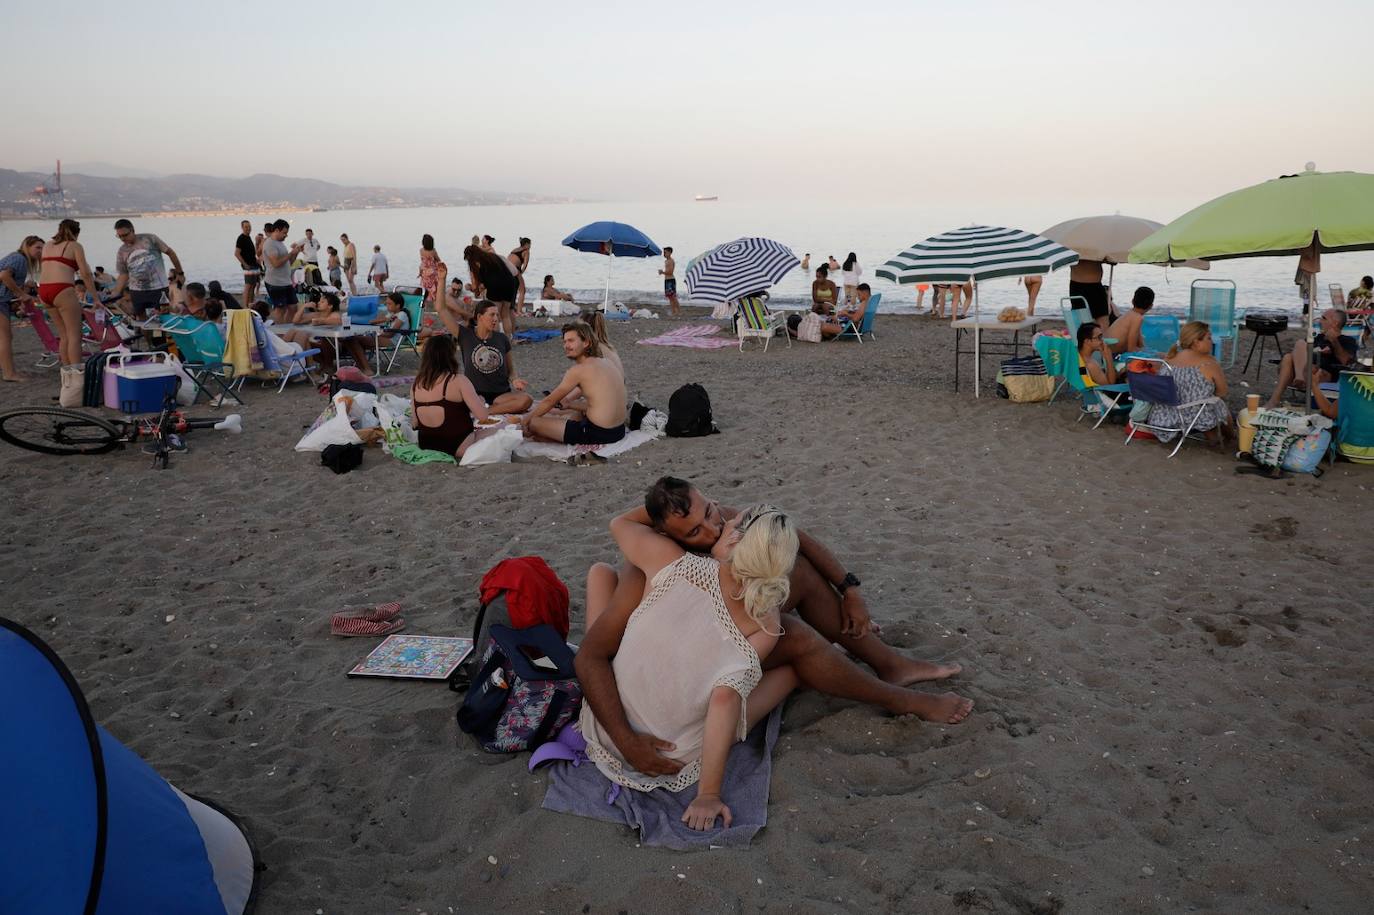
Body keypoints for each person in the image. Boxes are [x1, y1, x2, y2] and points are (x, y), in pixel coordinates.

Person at [576, 478, 973, 786]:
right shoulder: (655, 565)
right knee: (795, 638)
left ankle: (888, 663)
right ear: (665, 535)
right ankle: (896, 693)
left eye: (711, 512)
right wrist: (628, 742)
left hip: (707, 644)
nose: (713, 530)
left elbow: (793, 536)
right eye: (693, 531)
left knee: (791, 568)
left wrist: (850, 588)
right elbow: (596, 655)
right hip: (670, 675)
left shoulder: (717, 523)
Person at [579, 504, 800, 830]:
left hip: (605, 728)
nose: (723, 521)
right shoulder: (766, 624)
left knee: (601, 573)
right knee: (788, 673)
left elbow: (621, 522)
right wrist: (707, 793)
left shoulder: (671, 560)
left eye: (730, 521)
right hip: (673, 755)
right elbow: (724, 700)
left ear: (734, 540)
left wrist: (688, 506)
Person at [521, 322, 627, 445]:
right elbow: (602, 404)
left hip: (598, 433)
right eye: (564, 342)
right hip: (619, 431)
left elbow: (549, 402)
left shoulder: (578, 370)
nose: (566, 345)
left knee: (535, 423)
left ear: (586, 342)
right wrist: (570, 404)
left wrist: (525, 421)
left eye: (571, 341)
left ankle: (549, 437)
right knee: (576, 414)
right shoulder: (606, 362)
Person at [39, 220, 101, 405]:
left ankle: (67, 384)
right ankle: (77, 385)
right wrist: (95, 298)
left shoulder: (48, 245)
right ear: (77, 232)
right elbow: (86, 274)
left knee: (64, 336)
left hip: (44, 291)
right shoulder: (75, 245)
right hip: (62, 289)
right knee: (75, 336)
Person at [1148, 321, 1234, 446]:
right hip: (1193, 417)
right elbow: (1222, 392)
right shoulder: (1209, 362)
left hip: (1163, 416)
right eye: (1208, 338)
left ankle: (1213, 434)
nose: (1212, 341)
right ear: (1196, 342)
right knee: (1218, 403)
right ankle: (1230, 437)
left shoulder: (1169, 359)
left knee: (1199, 401)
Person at [451, 286, 532, 414]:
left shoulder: (502, 338)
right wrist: (442, 279)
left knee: (526, 400)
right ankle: (483, 408)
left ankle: (486, 411)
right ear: (479, 317)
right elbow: (441, 309)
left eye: (497, 315)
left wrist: (515, 379)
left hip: (500, 396)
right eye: (492, 315)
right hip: (475, 394)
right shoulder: (466, 336)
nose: (496, 319)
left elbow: (510, 370)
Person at [411, 334, 490, 458]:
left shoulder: (416, 384)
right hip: (458, 445)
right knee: (501, 429)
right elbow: (483, 416)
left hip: (427, 444)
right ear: (450, 356)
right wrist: (481, 402)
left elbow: (415, 423)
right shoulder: (459, 380)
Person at [1266, 308, 1357, 407]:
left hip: (1323, 375)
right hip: (1305, 372)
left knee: (1306, 360)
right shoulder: (1317, 337)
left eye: (1323, 318)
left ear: (1335, 323)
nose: (1320, 321)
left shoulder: (1347, 340)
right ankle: (1276, 398)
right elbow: (1298, 353)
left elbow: (1346, 361)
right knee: (1290, 355)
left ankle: (1297, 381)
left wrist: (1334, 341)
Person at [110, 219, 183, 319]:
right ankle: (145, 335)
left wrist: (180, 273)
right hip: (137, 290)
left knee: (163, 317)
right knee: (141, 319)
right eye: (119, 236)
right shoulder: (122, 251)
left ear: (132, 230)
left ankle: (163, 334)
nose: (123, 238)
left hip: (158, 288)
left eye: (125, 235)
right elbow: (123, 274)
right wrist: (116, 292)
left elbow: (170, 253)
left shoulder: (150, 239)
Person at [0, 235, 43, 382]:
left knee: (6, 337)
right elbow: (4, 275)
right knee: (4, 337)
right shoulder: (19, 258)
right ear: (27, 246)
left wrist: (17, 298)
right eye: (37, 247)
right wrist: (22, 294)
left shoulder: (18, 258)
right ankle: (9, 374)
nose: (40, 251)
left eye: (42, 248)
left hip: (3, 301)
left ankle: (8, 370)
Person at [463, 244, 518, 336]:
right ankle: (509, 338)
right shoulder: (493, 256)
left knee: (494, 315)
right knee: (505, 314)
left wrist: (470, 287)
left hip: (495, 287)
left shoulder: (476, 264)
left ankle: (496, 339)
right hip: (510, 283)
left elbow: (477, 288)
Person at [262, 220, 305, 324]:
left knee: (293, 307)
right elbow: (276, 263)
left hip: (286, 281)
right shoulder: (270, 244)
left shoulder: (280, 243)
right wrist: (291, 253)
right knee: (280, 309)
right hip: (275, 282)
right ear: (277, 230)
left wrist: (296, 252)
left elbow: (288, 262)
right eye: (284, 232)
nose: (286, 235)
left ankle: (287, 328)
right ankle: (280, 332)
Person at [1105, 286, 1155, 355]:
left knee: (1156, 354)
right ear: (1151, 306)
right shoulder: (1137, 318)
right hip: (1112, 355)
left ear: (1132, 301)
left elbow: (1141, 345)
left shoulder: (1130, 314)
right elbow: (1131, 349)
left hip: (1106, 351)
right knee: (1159, 356)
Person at [1069, 259, 1110, 329]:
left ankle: (1102, 338)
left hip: (1096, 285)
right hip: (1078, 285)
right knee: (1081, 320)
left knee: (1103, 318)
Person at [1076, 322, 1120, 387]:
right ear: (1087, 341)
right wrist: (1109, 358)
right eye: (1099, 337)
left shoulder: (1079, 357)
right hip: (1107, 393)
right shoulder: (1090, 365)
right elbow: (1110, 385)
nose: (1102, 341)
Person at [234, 220, 261, 307]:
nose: (248, 228)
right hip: (248, 266)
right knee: (248, 286)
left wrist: (256, 259)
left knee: (253, 286)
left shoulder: (248, 237)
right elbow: (237, 253)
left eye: (249, 226)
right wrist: (245, 264)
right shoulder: (241, 238)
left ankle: (251, 304)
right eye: (246, 227)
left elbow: (250, 253)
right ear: (242, 228)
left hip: (254, 265)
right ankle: (245, 306)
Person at [508, 237, 531, 313]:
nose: (530, 246)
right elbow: (525, 264)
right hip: (515, 269)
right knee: (522, 290)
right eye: (530, 244)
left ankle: (510, 308)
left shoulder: (515, 249)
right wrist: (521, 273)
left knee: (511, 290)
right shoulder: (526, 251)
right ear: (526, 244)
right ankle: (519, 311)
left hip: (506, 268)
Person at [658, 247, 680, 316]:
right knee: (670, 297)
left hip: (671, 280)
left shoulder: (671, 261)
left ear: (670, 253)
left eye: (665, 252)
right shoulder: (666, 261)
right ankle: (673, 311)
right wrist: (663, 272)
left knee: (673, 296)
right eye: (664, 252)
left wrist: (662, 272)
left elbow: (670, 272)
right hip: (667, 280)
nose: (664, 254)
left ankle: (678, 311)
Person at [419, 234, 440, 304]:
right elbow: (438, 260)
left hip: (424, 272)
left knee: (425, 287)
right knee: (434, 287)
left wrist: (420, 272)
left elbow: (422, 262)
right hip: (432, 272)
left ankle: (426, 302)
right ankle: (434, 300)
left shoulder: (421, 250)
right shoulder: (433, 251)